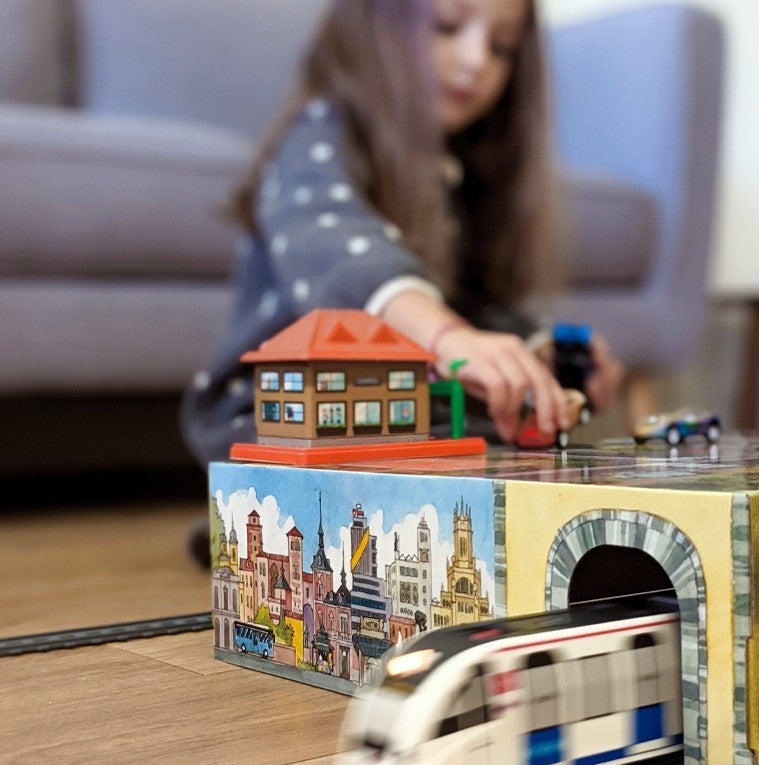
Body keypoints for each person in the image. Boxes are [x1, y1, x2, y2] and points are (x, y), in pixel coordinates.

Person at [181, 0, 624, 466]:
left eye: (501, 47)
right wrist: (448, 337)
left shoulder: (452, 174)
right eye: (448, 26)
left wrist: (534, 355)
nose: (476, 60)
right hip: (269, 413)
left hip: (395, 402)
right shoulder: (317, 135)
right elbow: (339, 248)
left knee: (476, 427)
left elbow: (470, 306)